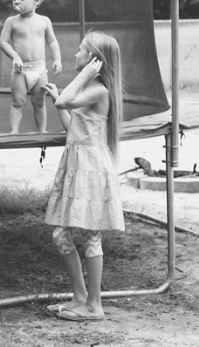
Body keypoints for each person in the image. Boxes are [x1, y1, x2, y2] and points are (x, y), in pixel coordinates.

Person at [41, 31, 125, 322]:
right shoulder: (89, 90)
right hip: (78, 164)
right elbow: (72, 126)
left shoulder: (100, 89)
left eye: (80, 51)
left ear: (93, 60)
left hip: (92, 169)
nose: (74, 54)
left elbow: (65, 102)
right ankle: (79, 297)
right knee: (61, 233)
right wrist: (57, 96)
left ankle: (95, 305)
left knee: (91, 236)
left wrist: (81, 78)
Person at [0, 0, 62, 133]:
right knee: (18, 101)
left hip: (39, 69)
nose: (16, 1)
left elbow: (52, 41)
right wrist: (15, 56)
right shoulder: (11, 21)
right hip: (20, 70)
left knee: (39, 101)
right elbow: (3, 42)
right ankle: (14, 131)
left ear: (36, 0)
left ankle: (42, 130)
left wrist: (57, 59)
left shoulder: (44, 21)